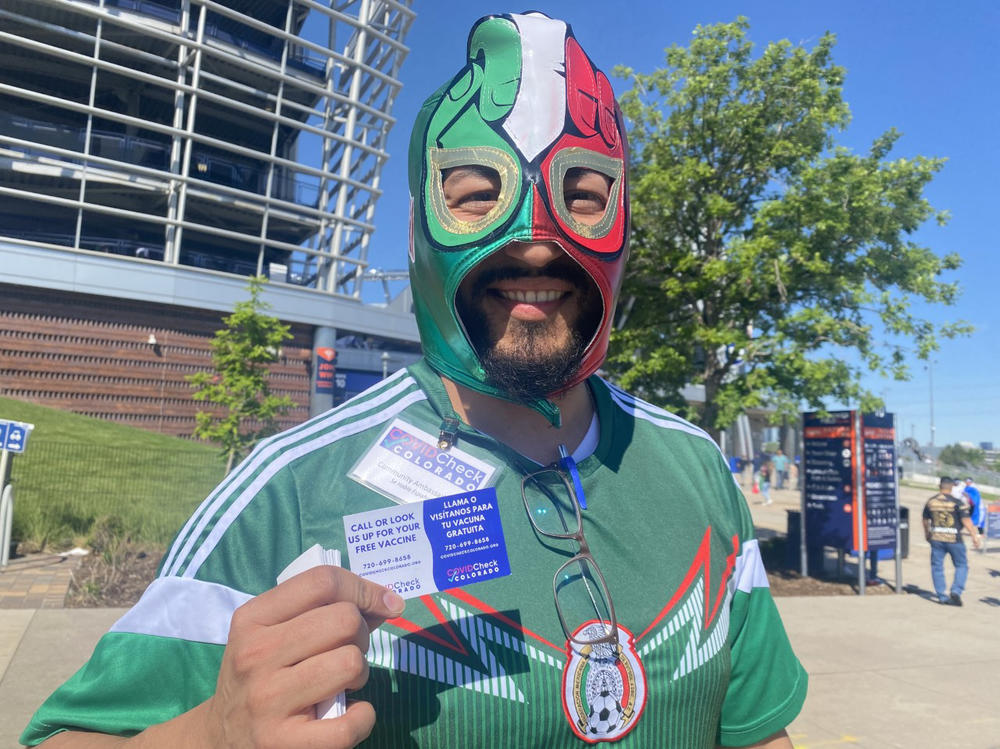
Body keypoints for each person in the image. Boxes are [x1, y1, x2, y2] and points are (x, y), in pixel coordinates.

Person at [23, 12, 806, 748]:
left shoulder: (696, 470)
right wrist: (213, 730)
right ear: (416, 227)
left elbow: (758, 731)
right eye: (478, 194)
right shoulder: (289, 491)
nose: (537, 242)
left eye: (584, 195)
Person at [922, 476, 982, 606]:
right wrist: (974, 536)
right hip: (954, 539)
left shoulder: (931, 502)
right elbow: (966, 521)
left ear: (940, 486)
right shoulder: (957, 503)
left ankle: (942, 596)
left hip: (936, 539)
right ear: (952, 487)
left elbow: (925, 519)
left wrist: (927, 533)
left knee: (937, 567)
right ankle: (956, 591)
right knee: (961, 565)